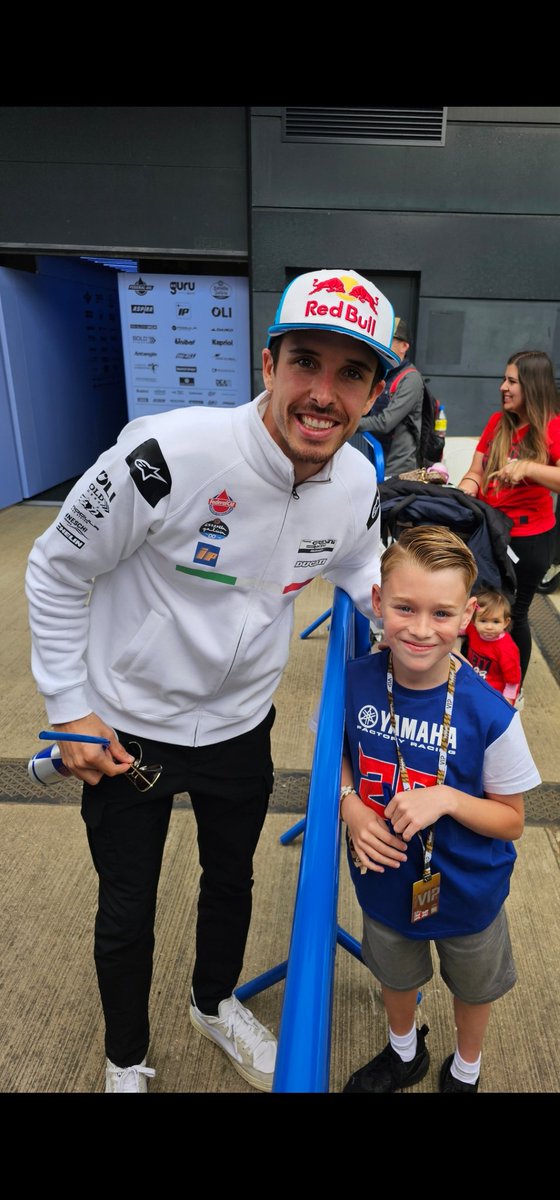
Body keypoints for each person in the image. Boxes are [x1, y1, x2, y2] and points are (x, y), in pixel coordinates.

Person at [25, 267, 401, 1094]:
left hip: (241, 724)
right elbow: (54, 567)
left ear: (377, 390)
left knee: (232, 877)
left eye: (352, 374)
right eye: (306, 361)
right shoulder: (170, 451)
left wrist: (424, 633)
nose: (323, 394)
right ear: (267, 364)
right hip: (130, 724)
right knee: (128, 912)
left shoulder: (357, 483)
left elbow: (366, 574)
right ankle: (126, 1061)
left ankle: (213, 1001)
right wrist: (70, 709)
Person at [339, 526, 540, 1094]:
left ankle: (466, 1067)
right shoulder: (353, 682)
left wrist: (449, 798)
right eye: (404, 607)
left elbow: (513, 819)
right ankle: (405, 1052)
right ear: (378, 603)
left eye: (442, 613)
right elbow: (338, 754)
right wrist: (348, 803)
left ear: (469, 614)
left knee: (473, 987)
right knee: (394, 974)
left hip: (468, 889)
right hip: (383, 877)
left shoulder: (490, 713)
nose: (422, 629)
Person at [457, 350, 560, 690]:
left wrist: (529, 467)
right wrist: (466, 487)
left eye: (512, 381)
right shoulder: (497, 423)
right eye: (504, 379)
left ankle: (510, 693)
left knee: (513, 616)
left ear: (532, 385)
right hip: (489, 532)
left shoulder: (553, 427)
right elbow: (476, 469)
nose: (503, 387)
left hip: (529, 540)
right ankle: (474, 681)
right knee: (479, 609)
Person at [353, 316, 424, 477]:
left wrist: (349, 421)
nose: (382, 345)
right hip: (374, 461)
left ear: (404, 346)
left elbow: (386, 422)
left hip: (397, 471)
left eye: (389, 340)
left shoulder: (411, 379)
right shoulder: (385, 373)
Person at [463, 588, 521, 704]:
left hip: (493, 694)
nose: (489, 627)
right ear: (474, 621)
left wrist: (507, 703)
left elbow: (512, 681)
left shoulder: (507, 649)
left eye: (495, 622)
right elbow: (459, 629)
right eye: (483, 621)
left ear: (506, 622)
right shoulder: (473, 630)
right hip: (473, 685)